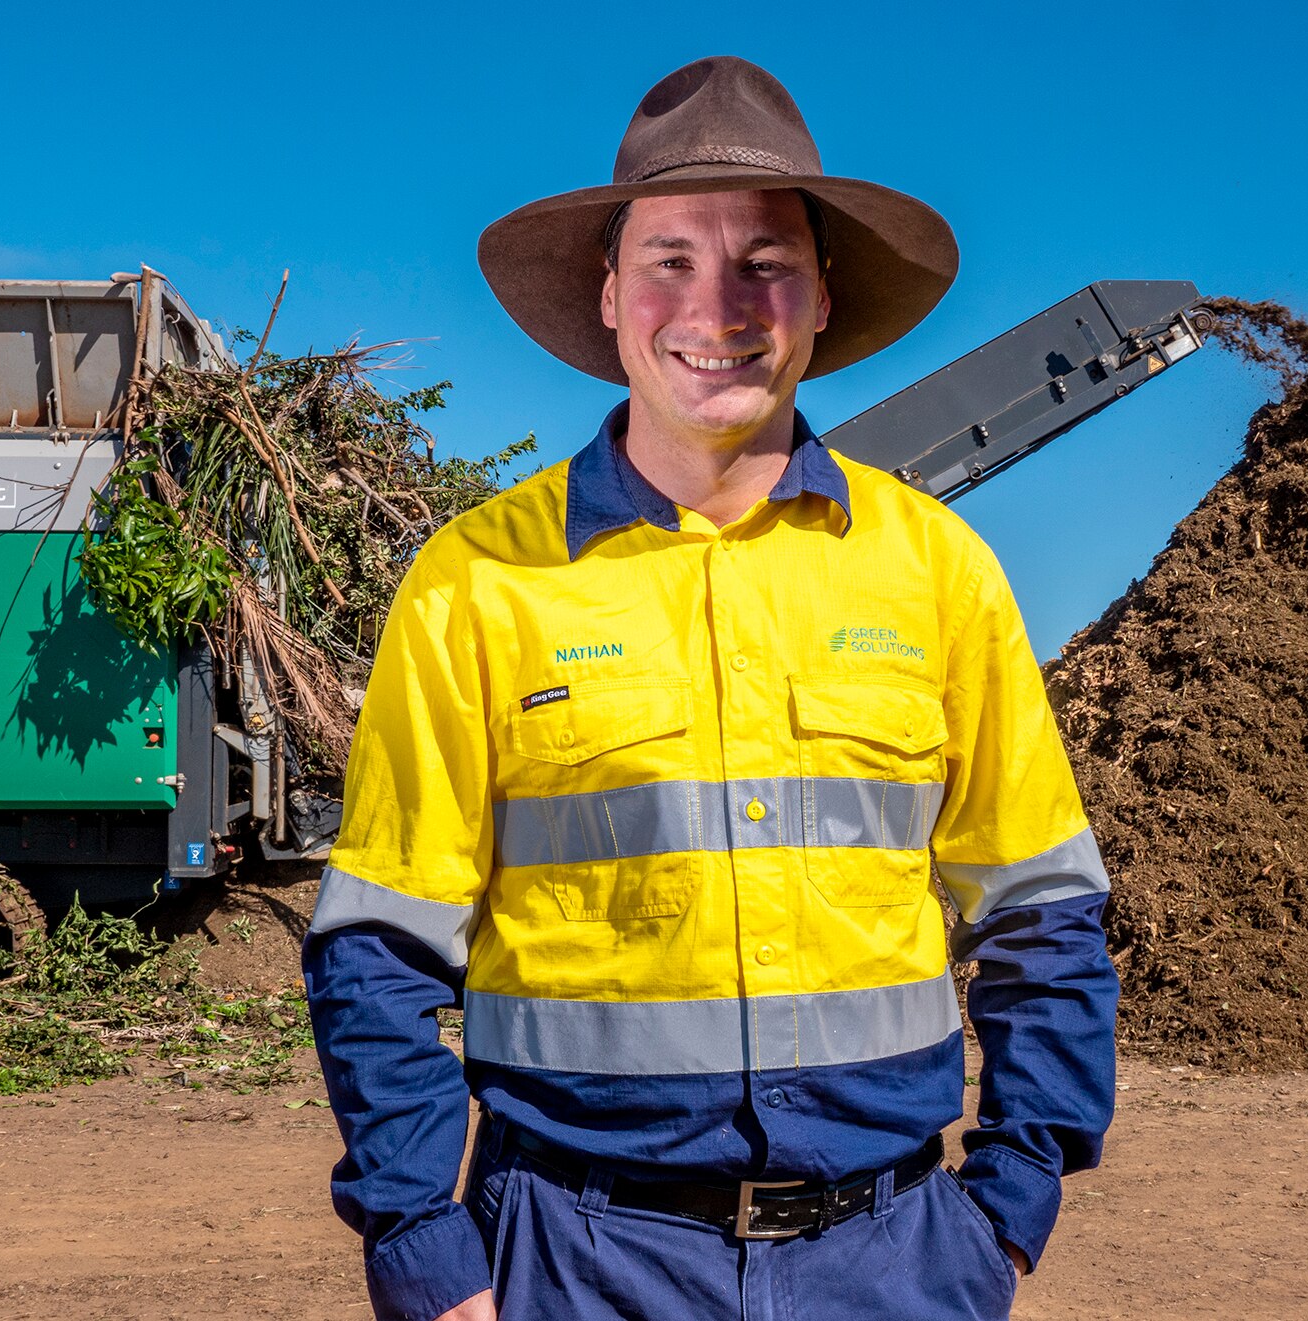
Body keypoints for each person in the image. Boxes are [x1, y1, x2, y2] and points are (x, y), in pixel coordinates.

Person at [304, 55, 1118, 1321]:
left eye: (764, 260)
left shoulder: (937, 571)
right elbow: (378, 945)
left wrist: (1005, 1210)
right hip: (573, 1265)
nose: (718, 303)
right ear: (611, 293)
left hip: (895, 1260)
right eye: (671, 257)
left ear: (821, 298)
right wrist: (424, 1249)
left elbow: (1041, 912)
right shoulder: (477, 580)